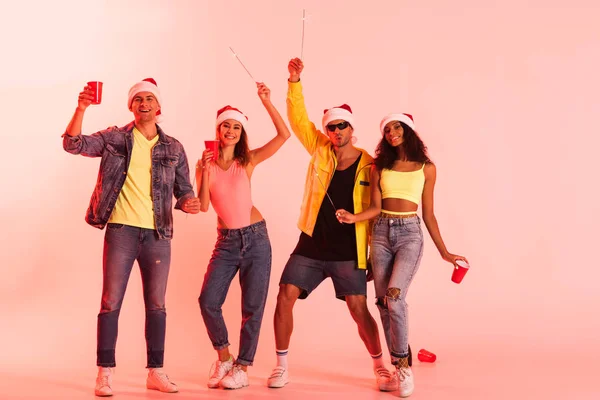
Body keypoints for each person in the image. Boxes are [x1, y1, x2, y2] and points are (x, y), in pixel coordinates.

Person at [62, 78, 200, 397]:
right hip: (121, 231)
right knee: (111, 302)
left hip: (158, 235)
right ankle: (105, 373)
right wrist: (81, 107)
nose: (144, 103)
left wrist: (188, 202)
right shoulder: (114, 138)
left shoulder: (174, 147)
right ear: (131, 106)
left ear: (158, 106)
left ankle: (156, 372)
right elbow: (73, 144)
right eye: (138, 99)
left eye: (149, 98)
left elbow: (185, 191)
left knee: (157, 304)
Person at [266, 58, 395, 392]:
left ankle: (380, 366)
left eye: (342, 126)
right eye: (331, 127)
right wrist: (294, 81)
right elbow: (297, 120)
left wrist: (375, 257)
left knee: (357, 307)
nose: (336, 132)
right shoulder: (319, 149)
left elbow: (378, 210)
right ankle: (281, 366)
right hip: (310, 243)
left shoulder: (370, 165)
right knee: (284, 295)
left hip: (348, 250)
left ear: (352, 129)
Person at [336, 113, 468, 397]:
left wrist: (444, 253)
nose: (392, 132)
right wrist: (353, 218)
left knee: (395, 297)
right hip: (381, 233)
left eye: (397, 127)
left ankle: (404, 366)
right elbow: (374, 208)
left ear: (408, 131)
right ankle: (398, 366)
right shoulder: (379, 167)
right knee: (383, 304)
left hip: (410, 234)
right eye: (387, 130)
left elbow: (429, 214)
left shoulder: (426, 168)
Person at [197, 82, 291, 390]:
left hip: (256, 239)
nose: (231, 130)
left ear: (241, 132)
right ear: (218, 129)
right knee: (208, 300)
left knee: (252, 307)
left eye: (237, 126)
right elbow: (202, 206)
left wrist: (266, 101)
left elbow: (283, 136)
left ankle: (242, 367)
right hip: (225, 242)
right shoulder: (205, 164)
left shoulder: (246, 160)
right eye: (226, 125)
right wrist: (204, 172)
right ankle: (224, 356)